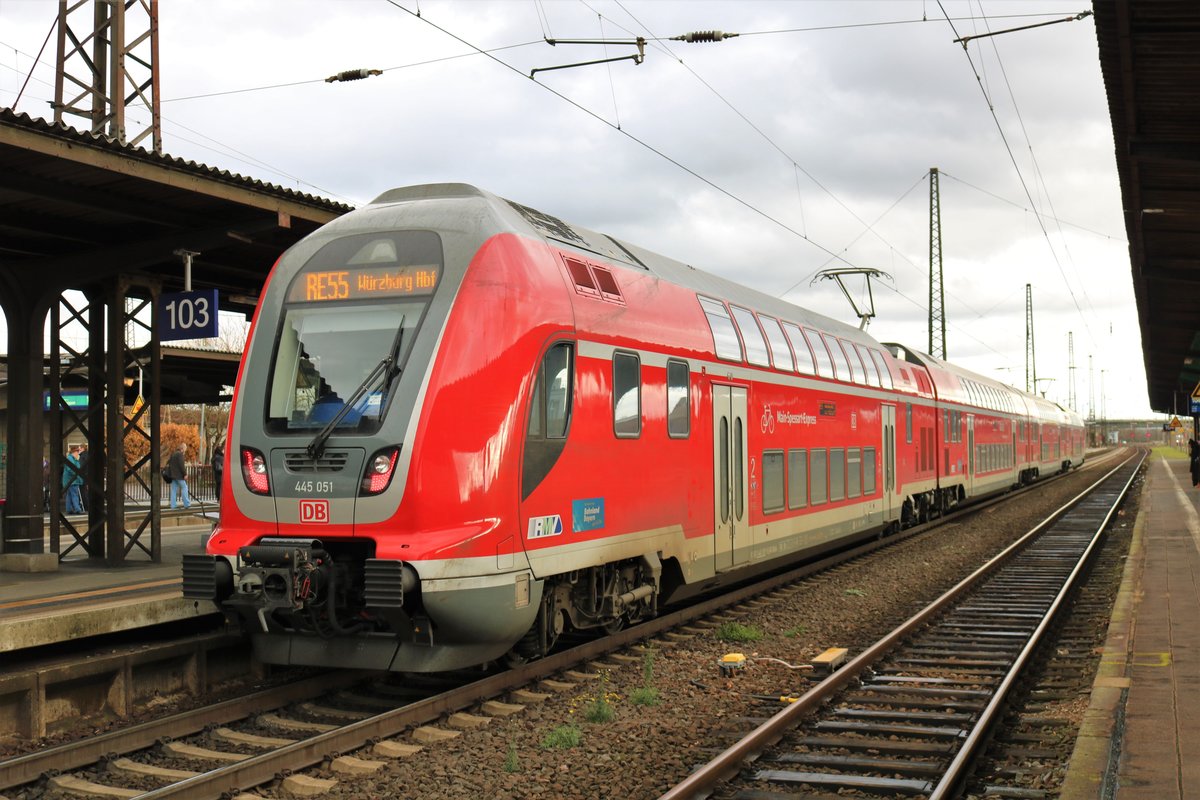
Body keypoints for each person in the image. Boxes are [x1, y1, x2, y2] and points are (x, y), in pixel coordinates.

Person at [167, 443, 191, 510]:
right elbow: (181, 466)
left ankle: (173, 506)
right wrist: (185, 474)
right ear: (182, 449)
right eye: (185, 449)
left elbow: (169, 463)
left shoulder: (173, 454)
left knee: (174, 490)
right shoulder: (180, 455)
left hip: (173, 475)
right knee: (184, 487)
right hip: (179, 476)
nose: (185, 451)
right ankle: (186, 504)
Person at [62, 445, 84, 514]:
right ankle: (77, 509)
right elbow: (71, 469)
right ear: (74, 451)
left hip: (69, 480)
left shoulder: (72, 459)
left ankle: (69, 509)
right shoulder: (71, 459)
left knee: (69, 495)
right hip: (72, 480)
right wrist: (78, 477)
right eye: (78, 451)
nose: (78, 453)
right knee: (74, 494)